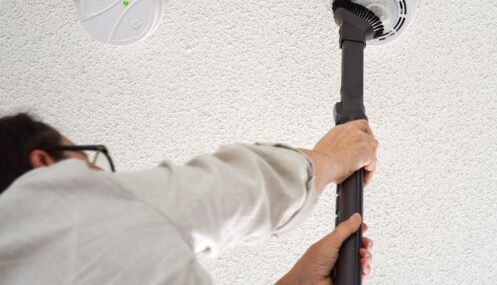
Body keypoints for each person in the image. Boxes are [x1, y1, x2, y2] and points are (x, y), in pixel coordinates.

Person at [0, 112, 378, 284]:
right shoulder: (55, 201)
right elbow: (240, 189)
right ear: (45, 164)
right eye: (89, 161)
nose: (101, 179)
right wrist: (331, 158)